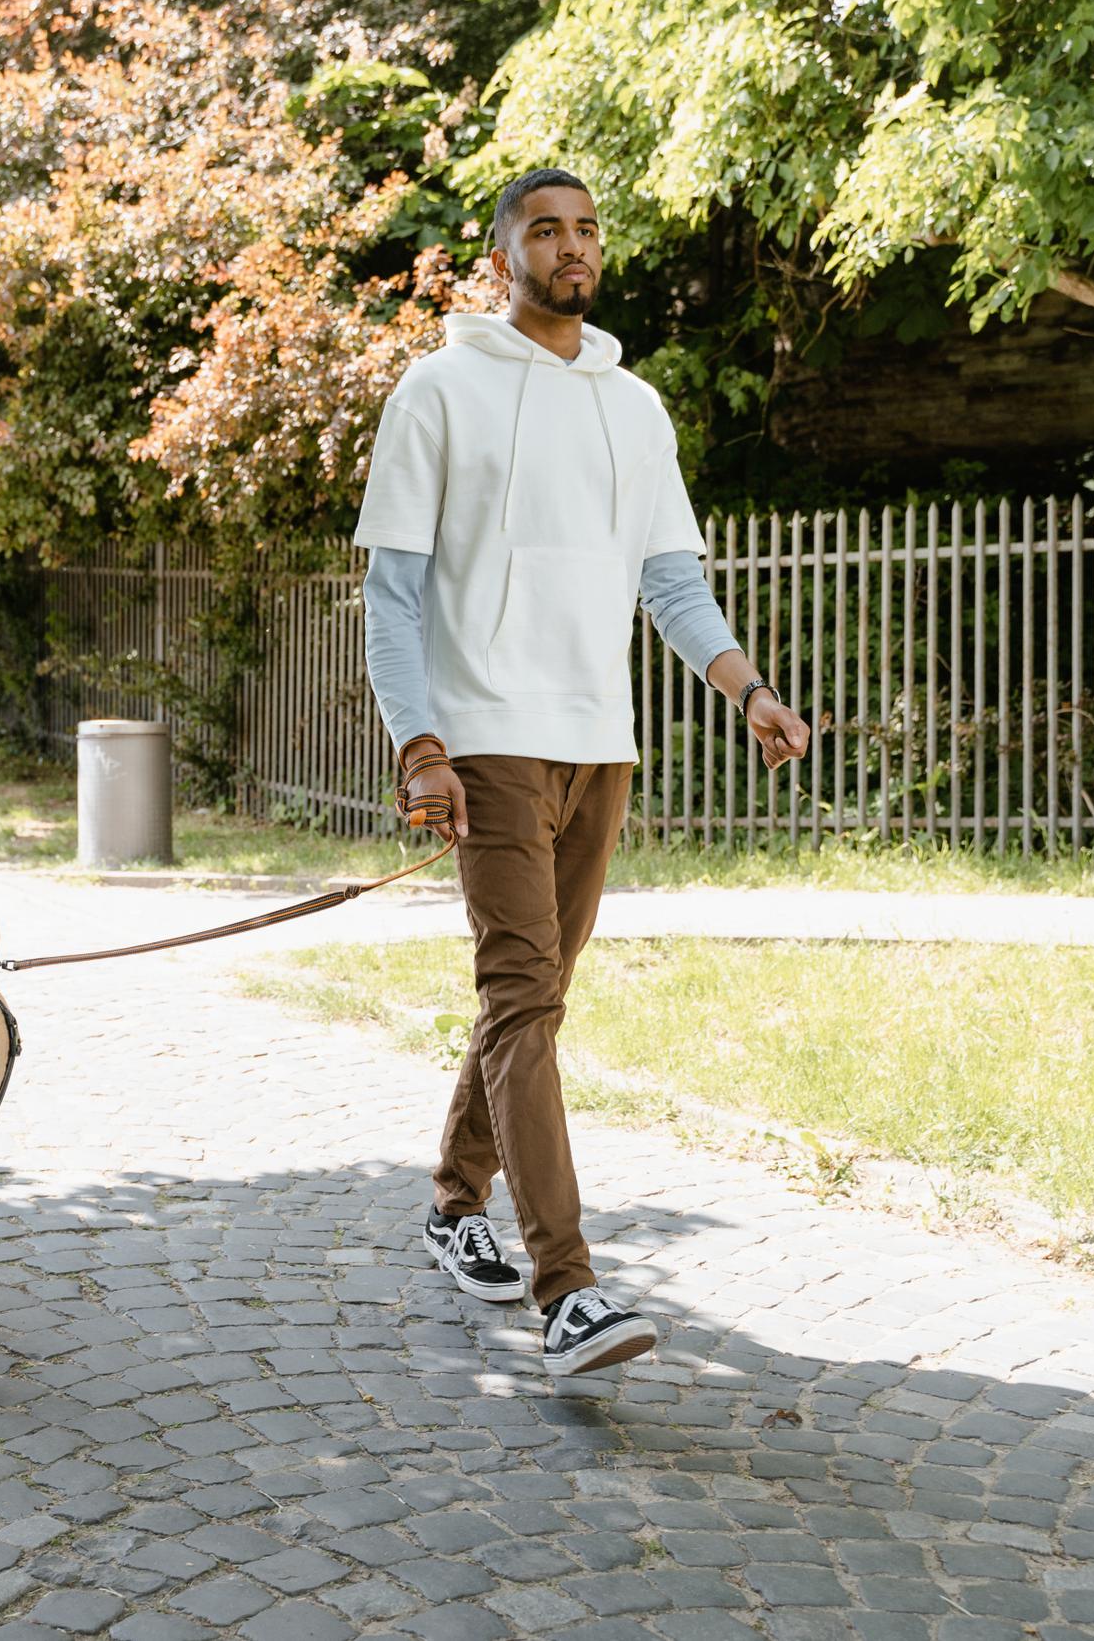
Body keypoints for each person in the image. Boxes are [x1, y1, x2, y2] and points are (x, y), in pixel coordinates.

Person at [354, 167, 813, 1378]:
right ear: (501, 254)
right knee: (521, 992)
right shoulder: (437, 392)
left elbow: (670, 581)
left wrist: (747, 689)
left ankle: (456, 1204)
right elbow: (391, 596)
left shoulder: (634, 408)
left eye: (586, 230)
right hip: (485, 740)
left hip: (598, 744)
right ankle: (568, 1287)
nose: (570, 247)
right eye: (544, 230)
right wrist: (421, 745)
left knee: (533, 996)